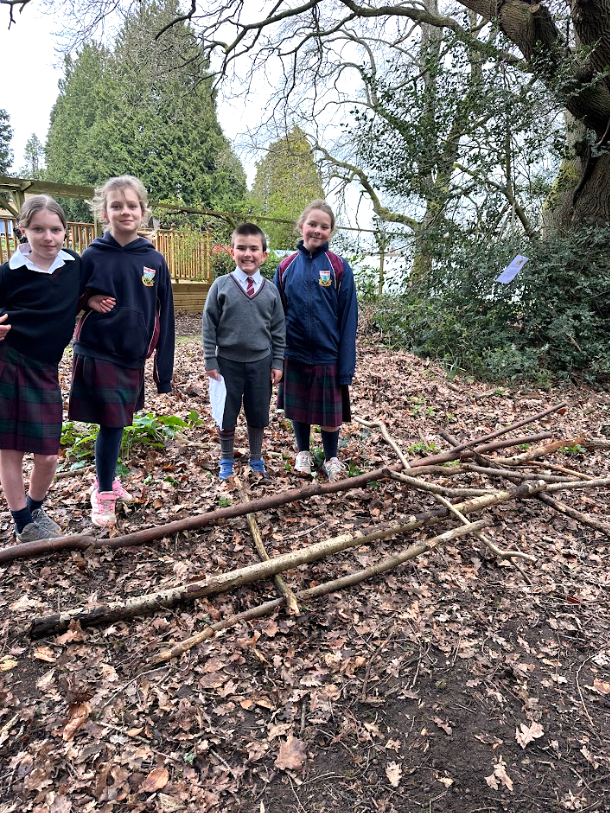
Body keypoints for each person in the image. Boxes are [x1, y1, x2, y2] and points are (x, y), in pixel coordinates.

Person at [69, 175, 175, 527]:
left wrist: (163, 373)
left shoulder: (154, 261)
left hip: (131, 356)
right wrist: (88, 299)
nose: (125, 211)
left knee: (117, 423)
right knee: (112, 423)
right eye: (116, 206)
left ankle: (107, 478)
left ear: (143, 212)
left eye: (132, 205)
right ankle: (103, 492)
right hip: (96, 350)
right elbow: (68, 298)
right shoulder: (92, 255)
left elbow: (166, 314)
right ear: (105, 212)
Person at [0, 195, 82, 542]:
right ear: (23, 230)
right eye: (38, 229)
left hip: (46, 368)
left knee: (48, 456)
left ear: (65, 231)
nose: (48, 237)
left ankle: (35, 508)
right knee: (10, 449)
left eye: (55, 229)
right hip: (9, 361)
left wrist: (91, 299)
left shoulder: (74, 265)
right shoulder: (8, 272)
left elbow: (84, 293)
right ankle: (22, 522)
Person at [274, 200, 358, 481]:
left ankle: (331, 457)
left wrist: (345, 365)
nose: (317, 230)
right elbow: (275, 316)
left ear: (331, 231)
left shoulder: (339, 268)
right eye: (312, 224)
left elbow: (348, 319)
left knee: (330, 415)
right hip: (294, 352)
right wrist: (276, 357)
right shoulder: (285, 267)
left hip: (327, 354)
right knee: (299, 411)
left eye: (324, 226)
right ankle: (303, 453)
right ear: (301, 226)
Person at [203, 223, 285, 480]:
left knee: (258, 411)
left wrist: (278, 362)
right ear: (232, 252)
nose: (247, 254)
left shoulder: (270, 291)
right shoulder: (221, 286)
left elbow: (278, 329)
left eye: (254, 249)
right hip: (227, 363)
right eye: (241, 248)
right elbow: (209, 324)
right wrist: (210, 359)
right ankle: (226, 459)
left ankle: (256, 458)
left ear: (264, 255)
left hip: (261, 363)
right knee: (227, 412)